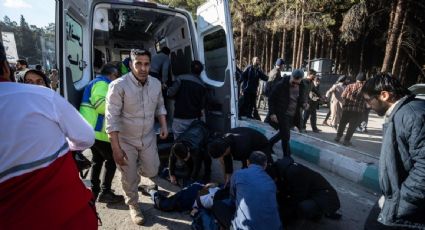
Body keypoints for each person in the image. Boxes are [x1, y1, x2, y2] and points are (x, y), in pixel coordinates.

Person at [0, 43, 97, 228]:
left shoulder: (49, 98)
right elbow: (86, 138)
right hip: (71, 217)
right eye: (29, 83)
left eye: (39, 82)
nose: (37, 87)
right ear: (6, 68)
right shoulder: (44, 98)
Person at [105, 49, 168, 225]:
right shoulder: (118, 85)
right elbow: (112, 119)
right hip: (126, 140)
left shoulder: (155, 83)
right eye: (138, 63)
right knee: (129, 176)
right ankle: (133, 204)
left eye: (146, 64)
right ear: (131, 64)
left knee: (152, 170)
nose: (142, 68)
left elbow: (160, 106)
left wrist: (163, 125)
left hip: (148, 137)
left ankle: (136, 172)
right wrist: (116, 149)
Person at [361, 73, 425, 229]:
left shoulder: (412, 115)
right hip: (396, 199)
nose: (368, 106)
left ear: (384, 95)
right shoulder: (403, 112)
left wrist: (402, 201)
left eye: (369, 100)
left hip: (407, 206)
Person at [80, 63, 124, 203]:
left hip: (93, 131)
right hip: (98, 132)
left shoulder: (97, 82)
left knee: (97, 160)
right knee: (112, 159)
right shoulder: (102, 84)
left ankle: (95, 191)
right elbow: (101, 106)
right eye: (116, 77)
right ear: (112, 75)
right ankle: (105, 192)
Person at [272, 157, 341, 225]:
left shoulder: (294, 173)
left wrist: (285, 215)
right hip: (313, 193)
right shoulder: (283, 170)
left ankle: (317, 214)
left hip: (327, 197)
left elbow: (297, 197)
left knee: (302, 207)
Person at [230, 151, 282, 230]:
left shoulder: (238, 174)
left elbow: (232, 196)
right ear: (265, 165)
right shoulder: (271, 182)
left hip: (244, 227)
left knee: (220, 206)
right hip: (275, 227)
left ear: (247, 162)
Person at [208, 127, 272, 186]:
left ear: (227, 149)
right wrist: (228, 177)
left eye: (222, 155)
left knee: (263, 168)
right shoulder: (223, 141)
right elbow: (227, 157)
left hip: (261, 144)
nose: (221, 157)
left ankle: (272, 183)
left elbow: (248, 163)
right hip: (247, 139)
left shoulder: (241, 147)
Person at [268, 69, 306, 157]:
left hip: (293, 115)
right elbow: (271, 99)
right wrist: (272, 113)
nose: (295, 84)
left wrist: (304, 104)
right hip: (282, 114)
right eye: (293, 82)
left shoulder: (302, 85)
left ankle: (269, 144)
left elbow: (300, 99)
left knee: (283, 133)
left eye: (297, 83)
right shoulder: (281, 85)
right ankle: (287, 156)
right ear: (291, 76)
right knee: (286, 136)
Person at [167, 60, 207, 139]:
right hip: (193, 119)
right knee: (190, 141)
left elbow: (170, 93)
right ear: (201, 71)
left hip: (179, 117)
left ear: (190, 68)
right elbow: (202, 106)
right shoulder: (202, 86)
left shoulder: (181, 78)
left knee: (178, 142)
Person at [168, 120, 211, 186]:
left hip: (204, 131)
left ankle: (207, 176)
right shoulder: (175, 146)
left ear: (188, 149)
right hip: (193, 128)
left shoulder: (196, 148)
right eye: (183, 159)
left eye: (186, 157)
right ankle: (190, 171)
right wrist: (171, 174)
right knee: (189, 165)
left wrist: (192, 179)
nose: (185, 160)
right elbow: (171, 159)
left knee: (206, 156)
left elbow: (197, 166)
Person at [334, 72, 367, 146]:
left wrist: (346, 103)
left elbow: (343, 96)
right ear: (364, 80)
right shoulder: (366, 89)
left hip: (347, 109)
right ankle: (346, 141)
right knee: (352, 126)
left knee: (342, 123)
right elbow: (367, 100)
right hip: (358, 111)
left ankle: (338, 137)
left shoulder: (349, 86)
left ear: (356, 79)